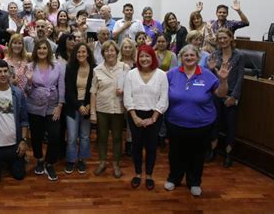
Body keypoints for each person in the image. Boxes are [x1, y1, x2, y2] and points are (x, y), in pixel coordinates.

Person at [164, 44, 230, 197]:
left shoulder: (207, 74)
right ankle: (174, 178)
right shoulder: (171, 74)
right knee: (175, 154)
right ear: (181, 58)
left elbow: (221, 94)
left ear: (197, 58)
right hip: (175, 123)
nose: (189, 58)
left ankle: (194, 182)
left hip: (202, 125)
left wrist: (223, 80)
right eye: (185, 55)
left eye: (192, 55)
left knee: (197, 155)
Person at [124, 45, 169, 190]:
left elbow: (164, 98)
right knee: (136, 146)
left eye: (147, 56)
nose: (144, 59)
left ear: (153, 57)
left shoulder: (161, 74)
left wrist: (154, 117)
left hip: (154, 115)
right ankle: (137, 174)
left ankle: (149, 175)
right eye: (141, 56)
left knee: (151, 147)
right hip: (135, 114)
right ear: (138, 58)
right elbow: (127, 96)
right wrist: (135, 117)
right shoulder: (131, 74)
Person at [25, 39, 65, 181]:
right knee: (36, 136)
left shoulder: (57, 66)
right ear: (36, 51)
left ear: (49, 50)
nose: (42, 51)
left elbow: (62, 87)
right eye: (39, 48)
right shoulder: (30, 66)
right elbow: (27, 91)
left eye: (44, 48)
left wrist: (60, 106)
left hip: (53, 107)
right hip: (34, 107)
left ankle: (50, 162)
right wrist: (29, 81)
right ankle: (40, 159)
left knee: (55, 136)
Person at [206, 28, 244, 167]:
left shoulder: (239, 55)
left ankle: (228, 155)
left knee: (230, 126)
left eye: (224, 38)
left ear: (231, 38)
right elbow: (210, 76)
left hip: (231, 95)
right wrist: (210, 69)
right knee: (215, 123)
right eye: (220, 38)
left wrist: (234, 96)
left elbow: (240, 77)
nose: (222, 40)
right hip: (217, 93)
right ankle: (213, 151)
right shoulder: (215, 54)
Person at [90, 41, 128, 178]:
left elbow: (130, 88)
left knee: (118, 137)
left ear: (117, 52)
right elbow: (93, 92)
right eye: (106, 51)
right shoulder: (97, 69)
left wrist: (124, 90)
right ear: (103, 54)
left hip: (118, 108)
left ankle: (116, 164)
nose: (109, 53)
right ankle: (102, 162)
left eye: (112, 50)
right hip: (102, 109)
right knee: (102, 137)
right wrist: (93, 112)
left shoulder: (125, 67)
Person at [64, 43, 95, 175]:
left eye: (84, 52)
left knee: (85, 136)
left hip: (88, 106)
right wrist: (79, 106)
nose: (81, 54)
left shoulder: (94, 69)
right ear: (75, 54)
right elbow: (69, 91)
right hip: (73, 106)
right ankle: (71, 160)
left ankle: (81, 159)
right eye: (78, 52)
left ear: (88, 53)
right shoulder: (70, 67)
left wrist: (88, 105)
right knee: (71, 136)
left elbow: (94, 89)